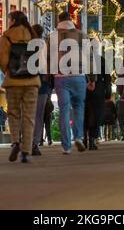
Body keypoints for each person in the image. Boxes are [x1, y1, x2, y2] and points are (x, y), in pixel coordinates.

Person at [0, 11, 40, 163]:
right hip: (32, 82)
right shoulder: (33, 35)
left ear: (14, 20)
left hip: (13, 81)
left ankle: (15, 141)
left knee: (13, 113)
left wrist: (8, 71)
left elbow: (2, 58)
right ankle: (25, 152)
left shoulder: (7, 35)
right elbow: (39, 59)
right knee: (29, 116)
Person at [48, 12, 88, 154]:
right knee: (78, 107)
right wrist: (92, 77)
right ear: (71, 20)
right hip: (79, 76)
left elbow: (47, 57)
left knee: (64, 110)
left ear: (58, 20)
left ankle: (66, 146)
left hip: (61, 77)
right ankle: (78, 137)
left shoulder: (52, 36)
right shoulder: (81, 34)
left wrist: (49, 76)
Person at [31, 24, 54, 156]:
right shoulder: (47, 46)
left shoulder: (29, 45)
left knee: (28, 114)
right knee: (39, 115)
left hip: (30, 81)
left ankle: (24, 141)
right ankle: (35, 143)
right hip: (44, 83)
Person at [84, 56, 112, 150]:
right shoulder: (100, 59)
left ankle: (85, 137)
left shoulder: (82, 58)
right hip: (98, 90)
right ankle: (92, 139)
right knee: (97, 115)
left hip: (84, 89)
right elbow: (107, 78)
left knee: (85, 114)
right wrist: (108, 92)